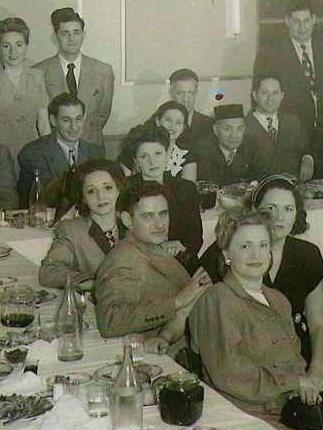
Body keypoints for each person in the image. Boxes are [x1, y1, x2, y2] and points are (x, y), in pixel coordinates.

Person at [187, 209, 323, 430]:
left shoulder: (278, 300)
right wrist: (293, 381)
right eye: (245, 246)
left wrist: (305, 387)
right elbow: (229, 371)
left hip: (287, 411)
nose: (256, 254)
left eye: (262, 245)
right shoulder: (217, 299)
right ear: (227, 253)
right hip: (244, 417)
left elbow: (295, 357)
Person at [198, 176, 323, 392]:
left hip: (298, 358)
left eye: (288, 209)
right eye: (271, 208)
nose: (279, 217)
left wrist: (316, 371)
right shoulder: (225, 254)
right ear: (256, 210)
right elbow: (198, 308)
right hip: (254, 366)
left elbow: (319, 324)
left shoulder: (307, 254)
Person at [94, 180, 213, 346]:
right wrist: (177, 301)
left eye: (163, 214)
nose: (159, 224)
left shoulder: (150, 247)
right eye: (148, 216)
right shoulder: (123, 260)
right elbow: (110, 322)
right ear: (127, 220)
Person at [252, 0, 323, 134]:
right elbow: (259, 99)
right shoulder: (270, 54)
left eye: (306, 21)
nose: (302, 27)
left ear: (314, 20)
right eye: (296, 22)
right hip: (290, 134)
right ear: (287, 21)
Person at [122, 127, 203, 270]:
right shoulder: (125, 189)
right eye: (144, 156)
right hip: (141, 264)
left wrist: (182, 245)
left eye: (158, 153)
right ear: (136, 162)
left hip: (180, 261)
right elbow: (123, 235)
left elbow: (195, 236)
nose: (152, 162)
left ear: (167, 155)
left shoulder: (186, 188)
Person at [39, 160, 127, 291]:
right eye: (91, 191)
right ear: (83, 198)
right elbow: (49, 272)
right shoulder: (71, 230)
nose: (100, 196)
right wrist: (92, 284)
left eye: (107, 188)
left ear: (118, 190)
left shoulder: (133, 223)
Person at [34, 7, 114, 147]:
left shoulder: (103, 71)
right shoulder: (38, 72)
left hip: (92, 148)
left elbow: (102, 115)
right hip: (54, 150)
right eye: (65, 33)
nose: (71, 39)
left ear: (83, 34)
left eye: (76, 33)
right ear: (55, 36)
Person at [0, 17, 50, 163]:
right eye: (6, 46)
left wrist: (47, 152)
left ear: (26, 46)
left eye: (19, 45)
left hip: (33, 150)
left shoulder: (37, 76)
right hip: (1, 151)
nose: (13, 51)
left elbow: (44, 123)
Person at [16, 94, 104, 208]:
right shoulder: (33, 153)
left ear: (85, 117)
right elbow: (47, 198)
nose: (74, 126)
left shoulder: (95, 152)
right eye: (66, 120)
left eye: (78, 119)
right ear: (53, 121)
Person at [240, 73, 312, 180]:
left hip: (295, 190)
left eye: (275, 93)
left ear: (282, 95)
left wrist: (308, 159)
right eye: (264, 93)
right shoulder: (243, 127)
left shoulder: (293, 122)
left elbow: (306, 148)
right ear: (255, 95)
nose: (270, 98)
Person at [187, 103, 250, 188]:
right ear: (215, 130)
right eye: (227, 129)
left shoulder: (250, 148)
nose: (234, 135)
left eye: (239, 129)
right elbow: (212, 184)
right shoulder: (202, 150)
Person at [165, 68, 214, 147]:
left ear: (196, 93)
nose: (186, 99)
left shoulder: (210, 125)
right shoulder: (160, 124)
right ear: (171, 93)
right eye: (180, 93)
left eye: (190, 93)